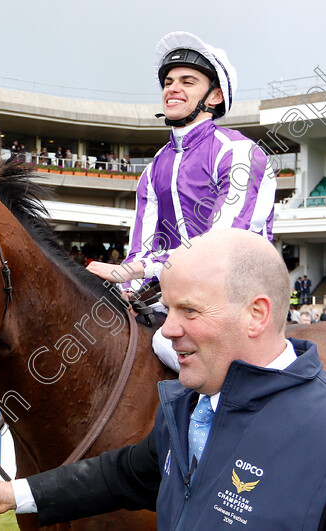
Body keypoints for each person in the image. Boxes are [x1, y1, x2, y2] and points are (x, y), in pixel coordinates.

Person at [0, 229, 326, 529]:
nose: (166, 329)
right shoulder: (184, 413)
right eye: (167, 309)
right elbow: (119, 475)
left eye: (188, 310)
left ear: (256, 315)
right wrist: (13, 494)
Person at [84, 32, 275, 370]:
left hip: (235, 295)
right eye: (168, 81)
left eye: (188, 81)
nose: (173, 88)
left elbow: (220, 247)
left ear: (215, 96)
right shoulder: (154, 167)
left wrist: (141, 269)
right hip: (175, 298)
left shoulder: (241, 153)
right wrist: (128, 288)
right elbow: (142, 245)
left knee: (163, 340)